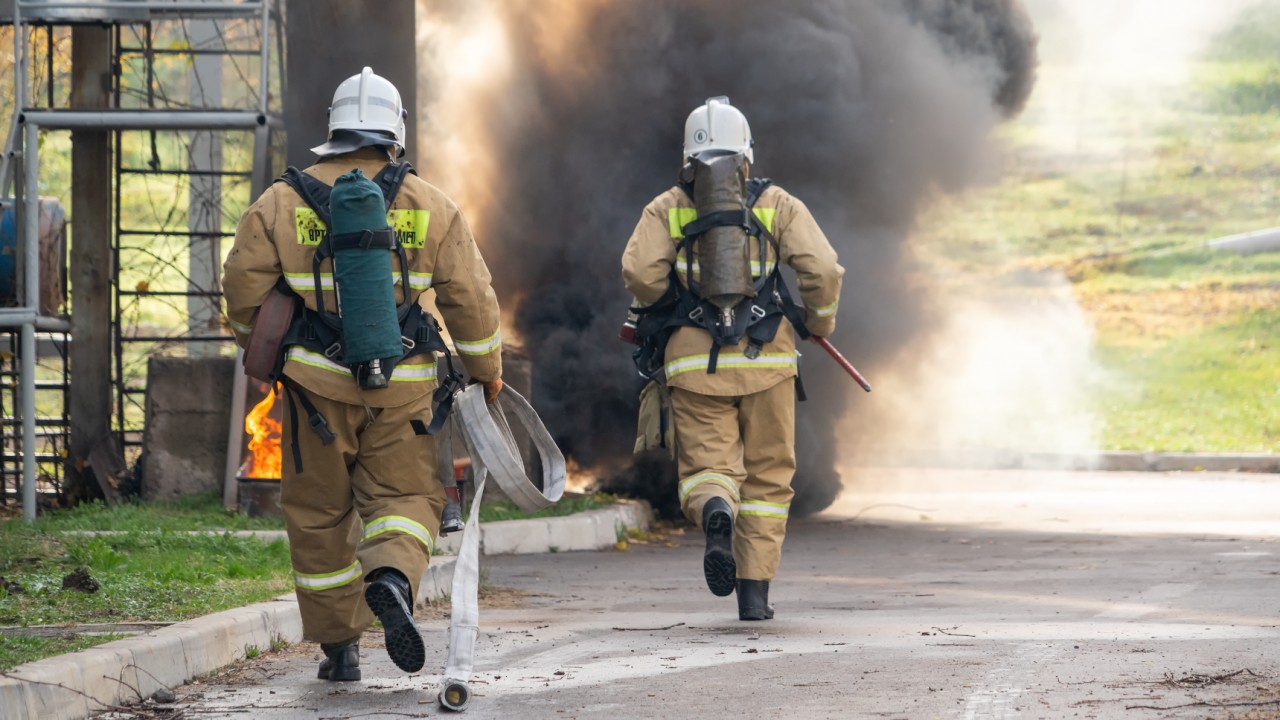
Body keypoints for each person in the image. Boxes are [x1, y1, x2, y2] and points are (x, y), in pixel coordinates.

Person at [223, 67, 503, 681]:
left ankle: (339, 650)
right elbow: (472, 299)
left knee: (320, 515)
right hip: (404, 390)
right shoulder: (432, 204)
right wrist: (487, 370)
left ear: (334, 127)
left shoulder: (280, 201)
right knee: (404, 500)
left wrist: (265, 350)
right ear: (395, 131)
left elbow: (241, 287)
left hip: (312, 390)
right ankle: (393, 580)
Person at [621, 97, 843, 621]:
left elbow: (640, 275)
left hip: (696, 366)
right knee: (768, 478)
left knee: (709, 470)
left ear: (688, 152)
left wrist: (669, 302)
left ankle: (717, 511)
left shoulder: (668, 205)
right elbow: (825, 270)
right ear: (747, 150)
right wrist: (819, 322)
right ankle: (754, 594)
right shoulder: (777, 204)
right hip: (769, 363)